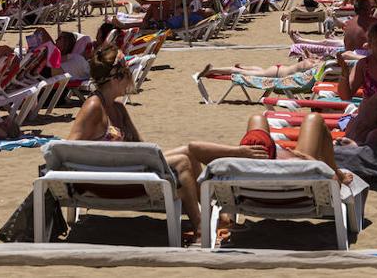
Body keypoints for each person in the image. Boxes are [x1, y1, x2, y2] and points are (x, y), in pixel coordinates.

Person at [67, 46, 267, 241]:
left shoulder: (118, 108)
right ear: (116, 78)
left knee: (191, 151)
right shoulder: (93, 106)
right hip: (111, 181)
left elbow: (142, 149)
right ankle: (201, 228)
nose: (131, 77)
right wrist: (106, 159)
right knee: (182, 162)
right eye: (127, 72)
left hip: (130, 171)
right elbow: (69, 149)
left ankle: (219, 216)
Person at [199, 56, 326, 80]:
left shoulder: (310, 61)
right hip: (277, 72)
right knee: (239, 72)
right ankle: (212, 70)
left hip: (277, 70)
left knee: (260, 71)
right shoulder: (311, 64)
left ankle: (244, 66)